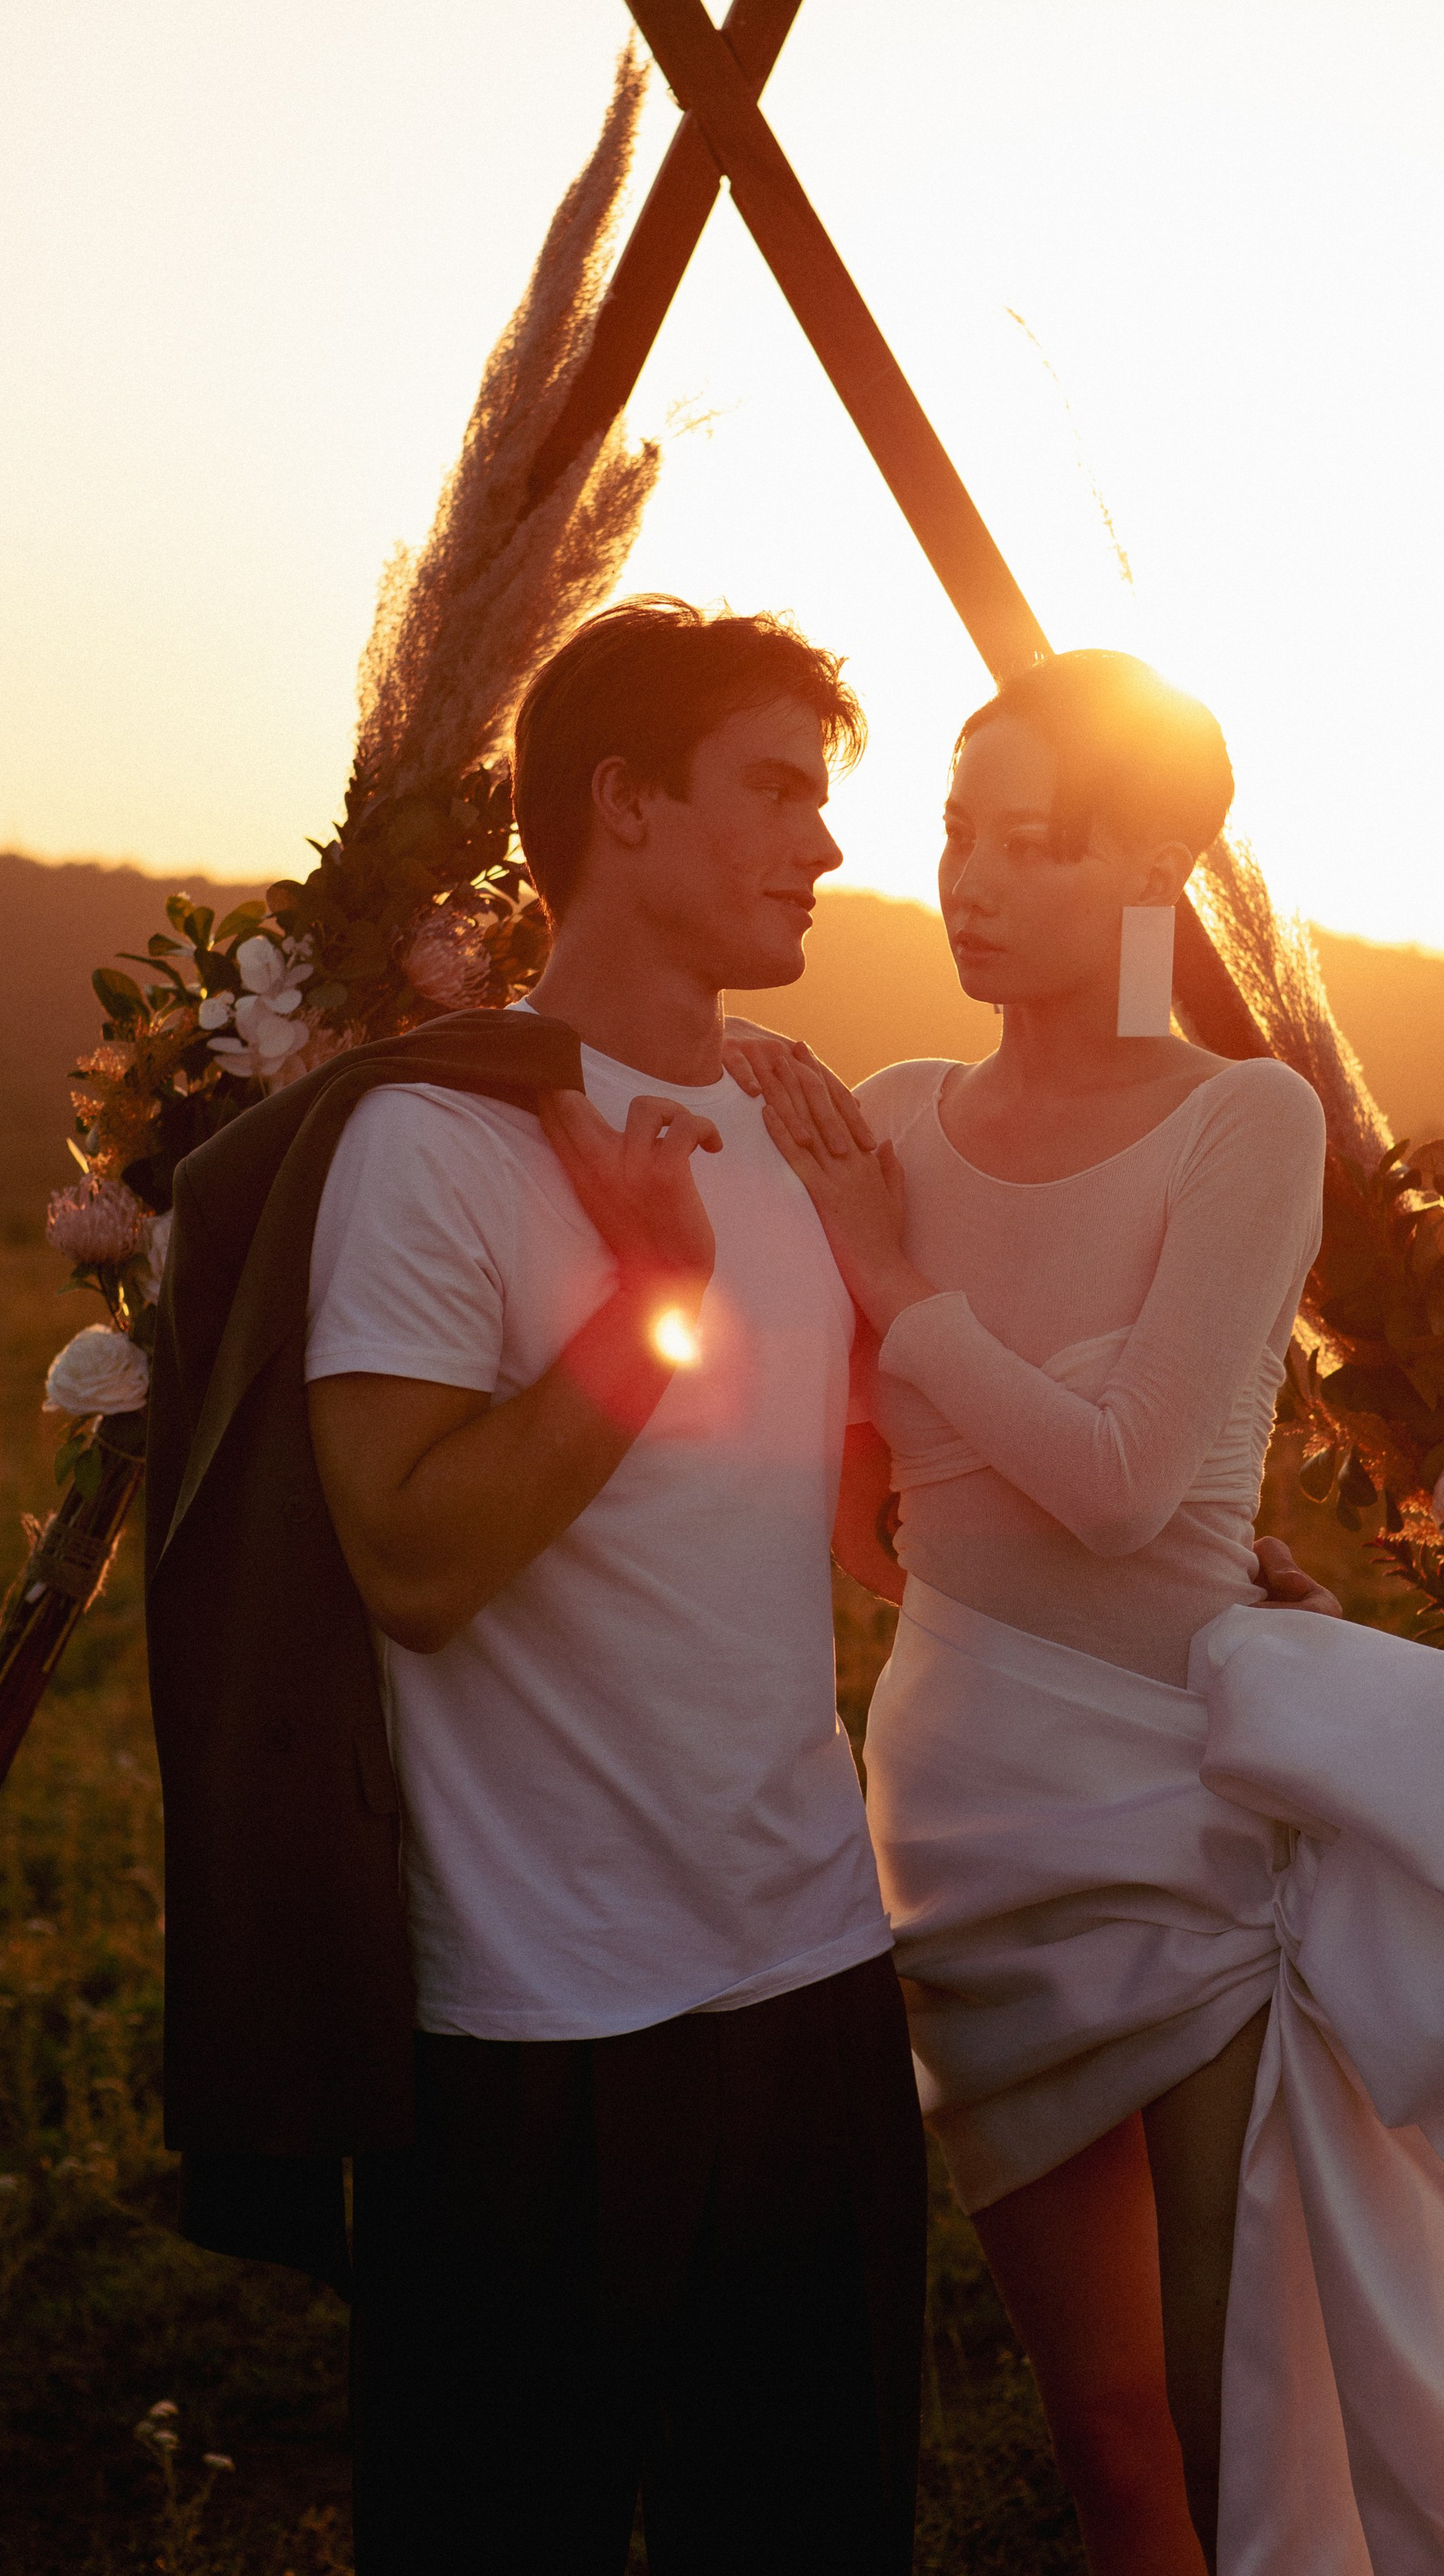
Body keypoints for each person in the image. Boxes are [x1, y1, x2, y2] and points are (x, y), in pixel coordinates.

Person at [732, 648, 1444, 2576]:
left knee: (1226, 2398)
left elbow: (1115, 1475)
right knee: (1100, 2441)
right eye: (950, 830)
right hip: (955, 1802)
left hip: (1174, 1816)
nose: (963, 878)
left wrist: (893, 1285)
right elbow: (867, 1490)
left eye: (1025, 840)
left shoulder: (1238, 1122)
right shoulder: (890, 1116)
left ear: (1155, 857)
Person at [153, 599, 925, 2576]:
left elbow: (857, 1524)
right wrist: (647, 1308)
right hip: (538, 2029)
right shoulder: (438, 1139)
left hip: (815, 1975)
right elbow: (409, 1555)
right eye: (775, 790)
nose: (825, 846)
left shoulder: (797, 1130)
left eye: (822, 802)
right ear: (624, 804)